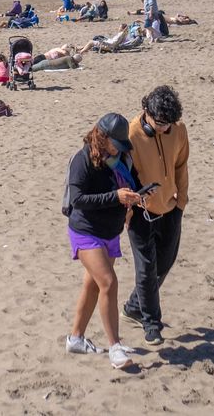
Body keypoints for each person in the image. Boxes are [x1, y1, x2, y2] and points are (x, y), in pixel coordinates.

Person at [63, 113, 143, 370]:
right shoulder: (83, 159)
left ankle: (76, 338)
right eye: (114, 145)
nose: (117, 151)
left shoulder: (123, 159)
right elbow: (78, 200)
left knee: (94, 285)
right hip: (85, 230)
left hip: (111, 232)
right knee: (108, 282)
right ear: (102, 137)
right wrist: (115, 197)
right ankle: (115, 346)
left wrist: (137, 196)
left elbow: (133, 184)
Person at [122, 85, 189, 346]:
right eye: (159, 123)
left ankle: (133, 307)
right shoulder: (129, 134)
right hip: (139, 211)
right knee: (147, 268)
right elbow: (122, 175)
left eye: (168, 124)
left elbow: (181, 165)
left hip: (171, 207)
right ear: (146, 112)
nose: (164, 128)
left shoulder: (179, 130)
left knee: (165, 262)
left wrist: (181, 201)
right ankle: (151, 323)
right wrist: (129, 208)